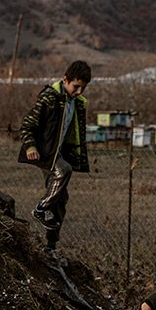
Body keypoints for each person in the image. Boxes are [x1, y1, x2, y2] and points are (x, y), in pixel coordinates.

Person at [17, 60, 92, 255]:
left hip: (59, 152)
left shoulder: (77, 103)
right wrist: (30, 146)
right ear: (65, 80)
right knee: (63, 170)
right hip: (45, 153)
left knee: (61, 200)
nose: (79, 92)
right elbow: (27, 125)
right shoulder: (49, 98)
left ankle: (50, 246)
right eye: (76, 86)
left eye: (83, 88)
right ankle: (40, 209)